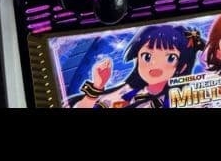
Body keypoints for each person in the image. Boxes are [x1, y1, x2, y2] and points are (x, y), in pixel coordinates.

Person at [73, 24, 205, 108]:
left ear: (183, 66)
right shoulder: (127, 91)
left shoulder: (179, 99)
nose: (155, 64)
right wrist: (98, 86)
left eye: (170, 58)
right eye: (147, 56)